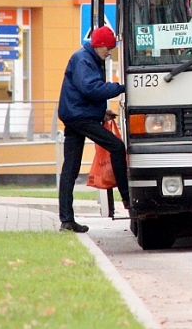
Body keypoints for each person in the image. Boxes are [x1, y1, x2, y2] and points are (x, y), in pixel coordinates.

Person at [57, 26, 129, 233]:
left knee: (70, 169)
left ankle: (67, 220)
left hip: (75, 115)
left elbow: (84, 93)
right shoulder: (84, 60)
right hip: (79, 117)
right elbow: (91, 89)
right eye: (108, 47)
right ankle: (127, 198)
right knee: (116, 146)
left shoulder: (88, 58)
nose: (109, 52)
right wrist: (122, 87)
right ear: (98, 45)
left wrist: (101, 114)